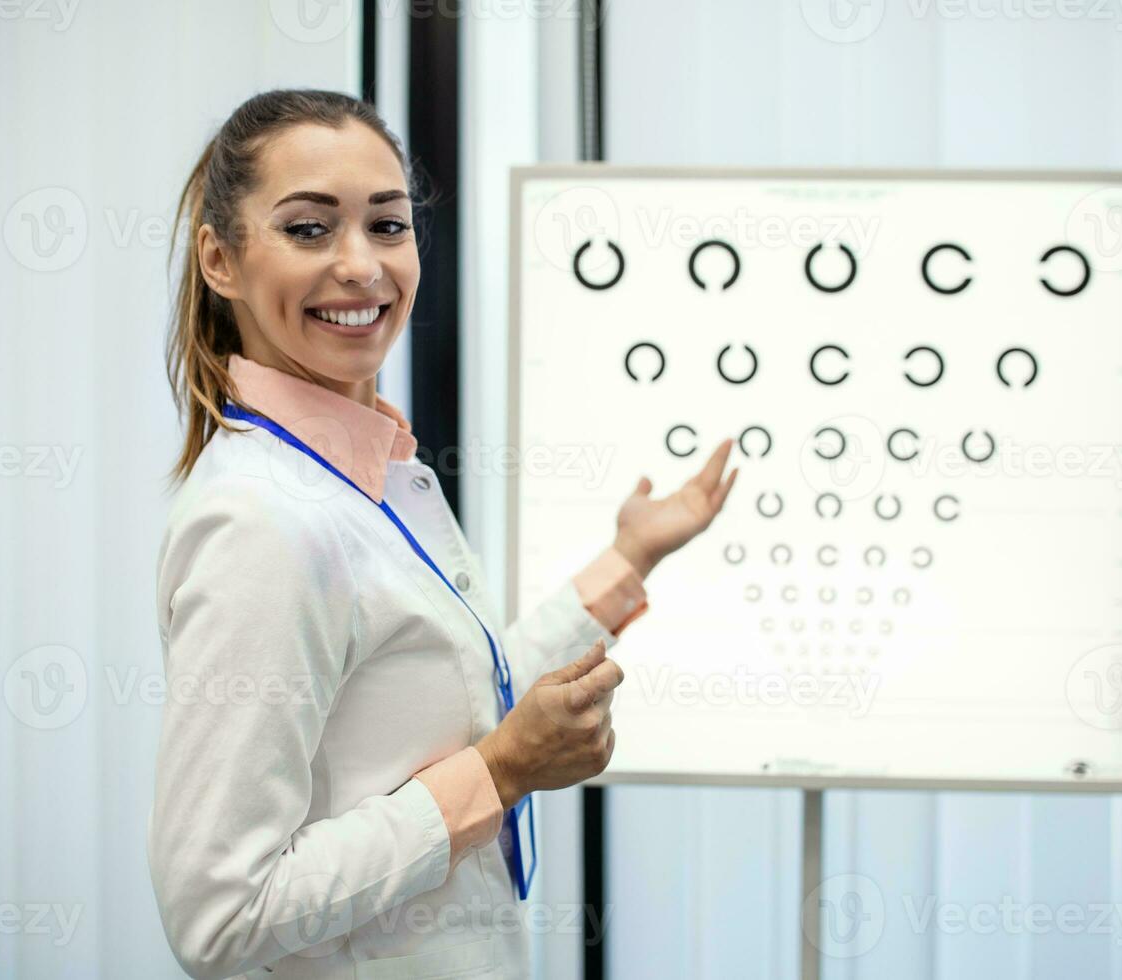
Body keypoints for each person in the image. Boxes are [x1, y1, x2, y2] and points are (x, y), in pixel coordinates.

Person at [146, 88, 738, 980]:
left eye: (387, 226)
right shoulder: (263, 523)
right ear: (219, 259)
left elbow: (465, 688)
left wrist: (631, 559)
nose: (361, 266)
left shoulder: (367, 476)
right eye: (309, 229)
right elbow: (221, 916)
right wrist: (496, 776)